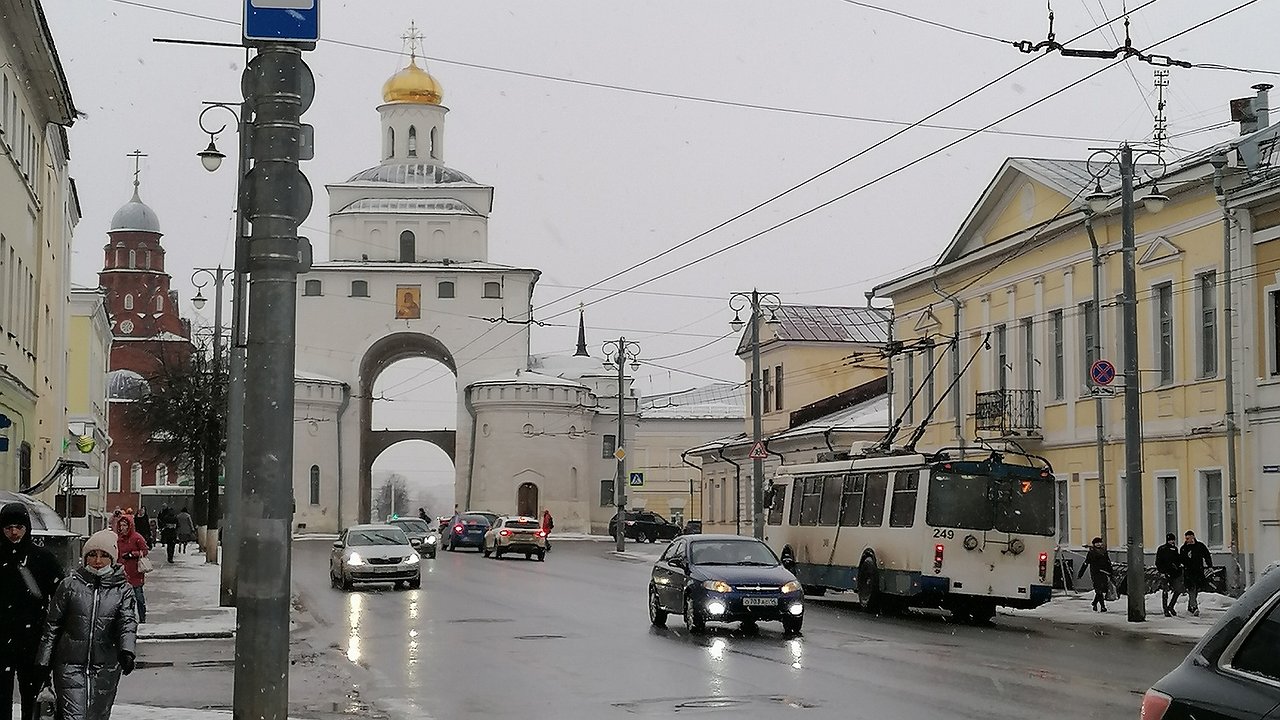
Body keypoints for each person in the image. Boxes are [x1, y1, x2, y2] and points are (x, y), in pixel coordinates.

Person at [36, 529, 137, 720]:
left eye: (104, 555)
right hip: (69, 665)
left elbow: (127, 622)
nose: (97, 560)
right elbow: (52, 626)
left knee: (97, 715)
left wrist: (127, 651)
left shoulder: (123, 590)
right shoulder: (69, 585)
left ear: (113, 559)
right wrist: (43, 662)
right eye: (92, 554)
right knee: (73, 716)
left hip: (105, 666)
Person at [1, 502, 65, 720]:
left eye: (19, 526)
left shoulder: (42, 558)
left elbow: (61, 596)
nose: (14, 532)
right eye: (8, 527)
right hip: (2, 640)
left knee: (33, 698)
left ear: (27, 527)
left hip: (33, 640)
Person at [114, 514, 150, 624]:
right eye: (120, 525)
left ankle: (142, 617)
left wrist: (132, 554)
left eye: (125, 525)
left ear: (129, 526)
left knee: (138, 596)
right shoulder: (118, 539)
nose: (122, 528)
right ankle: (128, 618)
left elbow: (145, 551)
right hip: (122, 572)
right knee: (124, 598)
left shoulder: (137, 538)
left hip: (135, 572)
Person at [1179, 530, 1213, 617]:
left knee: (1196, 589)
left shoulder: (1200, 546)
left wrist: (1209, 565)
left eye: (1189, 538)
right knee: (1191, 589)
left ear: (1193, 537)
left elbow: (1206, 555)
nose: (1187, 540)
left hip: (1198, 571)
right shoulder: (1183, 548)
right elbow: (1181, 559)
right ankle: (1194, 607)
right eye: (1186, 538)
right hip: (1188, 572)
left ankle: (1191, 605)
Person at [1077, 537, 1114, 612]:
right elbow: (1086, 563)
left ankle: (1094, 603)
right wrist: (1080, 574)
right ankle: (1103, 607)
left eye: (1100, 542)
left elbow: (1108, 562)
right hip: (1095, 573)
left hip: (1104, 572)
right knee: (1098, 589)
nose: (1099, 544)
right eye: (1097, 543)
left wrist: (1111, 572)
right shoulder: (1091, 552)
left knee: (1102, 589)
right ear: (1094, 544)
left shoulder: (1104, 551)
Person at [1155, 532, 1184, 617]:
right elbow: (1158, 562)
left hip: (1174, 574)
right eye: (1170, 540)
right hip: (1165, 573)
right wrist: (1162, 571)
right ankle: (1165, 609)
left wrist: (1178, 567)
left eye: (1173, 540)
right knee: (1165, 591)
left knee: (1178, 590)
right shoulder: (1162, 549)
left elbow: (1177, 560)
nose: (1172, 542)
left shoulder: (1175, 549)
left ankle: (1171, 606)